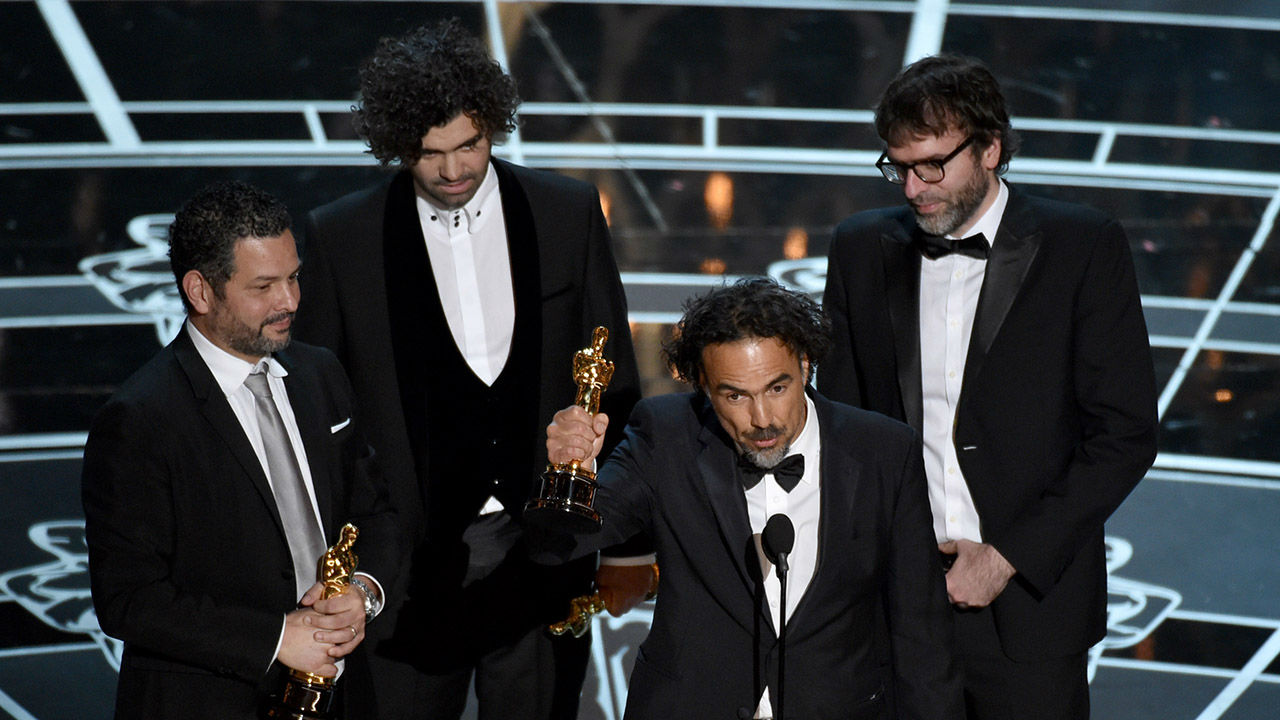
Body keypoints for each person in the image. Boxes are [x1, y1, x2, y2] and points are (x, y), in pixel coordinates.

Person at [292, 18, 644, 720]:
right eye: (430, 153)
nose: (454, 171)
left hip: (542, 549)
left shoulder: (565, 210)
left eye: (470, 145)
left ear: (494, 125)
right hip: (403, 568)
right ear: (397, 146)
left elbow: (616, 379)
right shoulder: (342, 235)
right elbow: (320, 410)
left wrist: (627, 545)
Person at [820, 54, 1159, 719]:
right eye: (899, 168)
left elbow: (1124, 435)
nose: (914, 188)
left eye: (932, 166)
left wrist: (1004, 559)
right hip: (894, 609)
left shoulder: (1082, 246)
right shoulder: (860, 249)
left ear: (992, 148)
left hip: (1029, 609)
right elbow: (843, 424)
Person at [535, 277, 962, 720]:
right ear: (702, 384)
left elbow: (923, 638)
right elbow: (556, 547)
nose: (762, 419)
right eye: (735, 395)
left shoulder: (885, 451)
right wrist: (570, 478)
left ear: (806, 364)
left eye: (777, 389)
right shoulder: (666, 436)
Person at [81, 181, 398, 719]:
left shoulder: (319, 374)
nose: (291, 301)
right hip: (209, 702)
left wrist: (364, 591)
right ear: (201, 291)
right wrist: (277, 638)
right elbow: (129, 599)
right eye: (264, 286)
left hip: (341, 696)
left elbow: (377, 510)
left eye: (294, 277)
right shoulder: (141, 418)